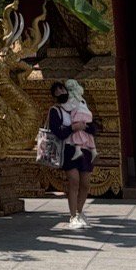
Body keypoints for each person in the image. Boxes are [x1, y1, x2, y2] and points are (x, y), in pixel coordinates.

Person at [46, 79, 96, 229]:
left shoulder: (80, 105)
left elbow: (93, 128)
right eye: (57, 92)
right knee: (74, 181)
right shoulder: (56, 111)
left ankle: (79, 212)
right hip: (68, 149)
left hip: (85, 148)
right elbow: (58, 133)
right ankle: (73, 216)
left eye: (62, 90)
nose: (61, 93)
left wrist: (84, 127)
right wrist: (73, 128)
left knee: (85, 183)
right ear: (54, 96)